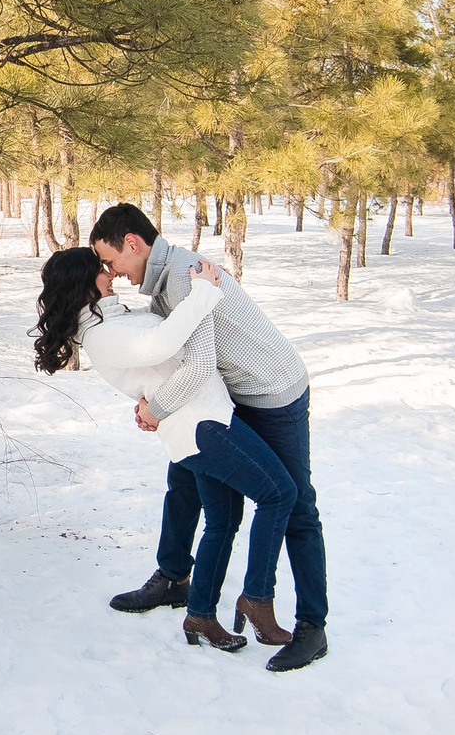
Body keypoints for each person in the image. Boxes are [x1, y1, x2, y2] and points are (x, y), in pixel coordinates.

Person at [86, 203, 328, 672]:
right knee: (185, 479)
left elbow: (195, 366)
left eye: (111, 261)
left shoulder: (182, 279)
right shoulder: (165, 284)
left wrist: (154, 409)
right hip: (227, 398)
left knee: (295, 506)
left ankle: (311, 627)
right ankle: (176, 579)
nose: (110, 272)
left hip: (270, 393)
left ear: (132, 243)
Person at [32, 248, 296, 654]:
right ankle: (257, 597)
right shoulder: (104, 335)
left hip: (202, 421)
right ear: (83, 285)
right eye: (101, 271)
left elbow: (164, 349)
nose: (111, 274)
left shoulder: (111, 320)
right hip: (203, 426)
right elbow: (167, 341)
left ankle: (201, 614)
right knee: (280, 494)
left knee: (223, 521)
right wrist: (204, 293)